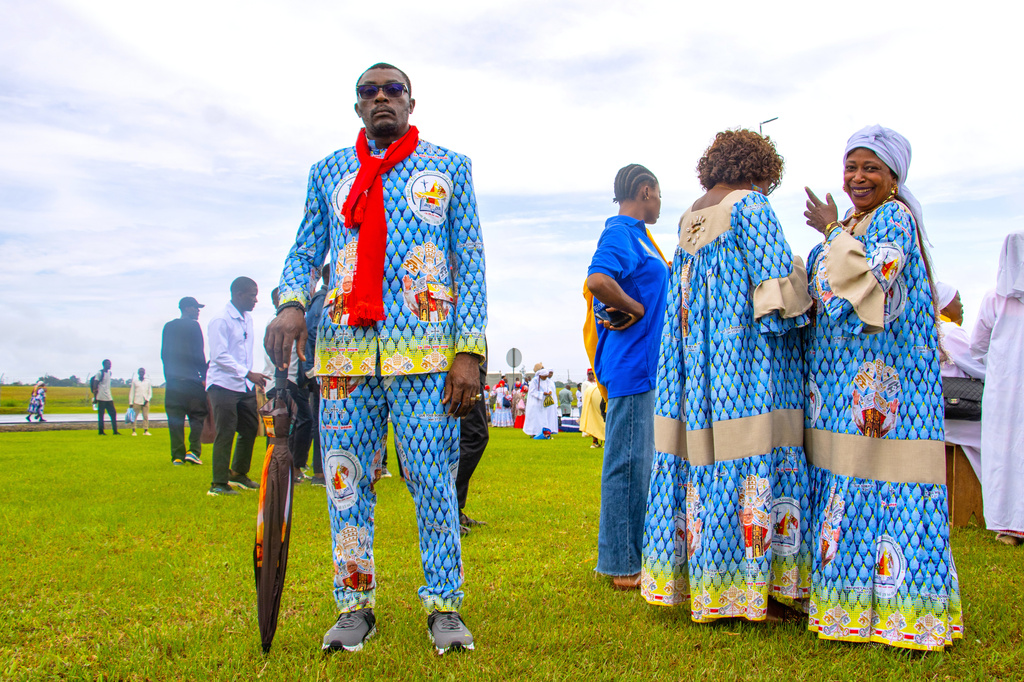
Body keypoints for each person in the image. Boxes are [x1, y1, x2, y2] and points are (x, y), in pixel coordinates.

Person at [264, 63, 486, 655]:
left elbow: (470, 262)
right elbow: (304, 250)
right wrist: (290, 304)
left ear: (412, 103)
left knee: (434, 481)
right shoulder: (329, 173)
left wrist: (469, 350)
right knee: (344, 483)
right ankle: (353, 605)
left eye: (393, 91)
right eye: (370, 92)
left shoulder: (449, 168)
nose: (382, 98)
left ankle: (444, 605)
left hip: (426, 358)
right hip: (342, 358)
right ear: (357, 106)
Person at [638, 131, 812, 621]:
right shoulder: (750, 205)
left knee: (703, 460)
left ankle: (704, 585)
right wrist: (806, 273)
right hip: (746, 362)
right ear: (760, 171)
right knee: (749, 454)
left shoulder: (689, 216)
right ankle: (747, 594)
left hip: (697, 365)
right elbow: (777, 287)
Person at [803, 125, 961, 649]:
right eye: (851, 167)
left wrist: (829, 234)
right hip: (848, 389)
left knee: (895, 494)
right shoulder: (854, 221)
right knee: (855, 492)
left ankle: (909, 617)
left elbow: (873, 280)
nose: (857, 177)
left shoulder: (894, 217)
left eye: (870, 167)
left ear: (894, 176)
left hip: (890, 387)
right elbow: (824, 290)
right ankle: (849, 611)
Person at [585, 164, 668, 590]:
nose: (660, 203)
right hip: (630, 364)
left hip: (643, 365)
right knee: (627, 463)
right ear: (645, 190)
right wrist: (634, 308)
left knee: (639, 463)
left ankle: (628, 554)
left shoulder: (640, 237)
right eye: (658, 194)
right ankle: (621, 565)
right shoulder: (621, 231)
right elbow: (598, 279)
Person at [970, 231, 1024, 547]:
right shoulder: (995, 299)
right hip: (1005, 389)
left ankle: (1010, 527)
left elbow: (977, 347)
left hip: (1006, 390)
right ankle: (1010, 524)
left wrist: (1002, 366)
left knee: (1007, 452)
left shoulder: (994, 299)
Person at [206, 277, 266, 497]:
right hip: (223, 385)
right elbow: (219, 356)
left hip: (243, 385)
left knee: (250, 428)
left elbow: (244, 352)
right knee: (226, 431)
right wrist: (247, 373)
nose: (256, 300)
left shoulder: (247, 319)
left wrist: (251, 377)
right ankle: (218, 484)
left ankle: (238, 474)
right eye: (252, 295)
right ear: (238, 294)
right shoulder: (221, 320)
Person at [935, 282, 985, 479]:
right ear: (945, 305)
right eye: (958, 300)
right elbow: (980, 368)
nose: (962, 306)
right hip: (959, 413)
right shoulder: (949, 331)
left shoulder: (929, 329)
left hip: (943, 414)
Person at [263, 287, 314, 483]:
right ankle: (288, 467)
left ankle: (286, 467)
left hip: (290, 380)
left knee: (288, 426)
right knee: (295, 424)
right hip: (284, 381)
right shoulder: (279, 324)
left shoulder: (291, 323)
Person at [162, 297, 209, 465]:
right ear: (186, 308)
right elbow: (198, 352)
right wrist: (204, 376)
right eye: (196, 308)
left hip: (173, 381)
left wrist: (169, 377)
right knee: (197, 416)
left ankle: (177, 456)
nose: (198, 311)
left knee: (175, 419)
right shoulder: (193, 326)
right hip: (191, 380)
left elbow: (164, 354)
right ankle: (193, 451)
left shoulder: (168, 326)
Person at [457, 354, 490, 534]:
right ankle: (447, 511)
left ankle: (454, 509)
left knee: (470, 436)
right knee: (474, 435)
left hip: (472, 368)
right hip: (464, 369)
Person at [305, 264, 331, 486]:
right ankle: (320, 472)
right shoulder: (321, 298)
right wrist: (315, 366)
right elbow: (313, 330)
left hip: (324, 367)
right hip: (320, 368)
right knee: (319, 420)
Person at [522, 364, 558, 437]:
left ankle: (543, 432)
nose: (545, 378)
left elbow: (548, 387)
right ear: (540, 375)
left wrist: (549, 392)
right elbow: (532, 391)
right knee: (535, 418)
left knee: (543, 418)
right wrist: (542, 394)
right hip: (534, 403)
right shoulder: (534, 381)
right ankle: (533, 433)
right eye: (544, 377)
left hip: (542, 403)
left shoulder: (547, 381)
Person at [93, 359, 120, 435]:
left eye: (110, 364)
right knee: (101, 415)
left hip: (108, 397)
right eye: (108, 364)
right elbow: (95, 384)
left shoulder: (109, 373)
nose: (110, 365)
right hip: (101, 397)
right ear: (104, 364)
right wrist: (95, 397)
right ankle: (101, 431)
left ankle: (115, 431)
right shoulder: (100, 373)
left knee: (113, 413)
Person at [579, 372, 605, 448]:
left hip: (596, 396)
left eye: (592, 374)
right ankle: (597, 441)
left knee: (596, 418)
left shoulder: (593, 385)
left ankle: (596, 441)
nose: (591, 375)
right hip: (596, 398)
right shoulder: (585, 384)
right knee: (596, 418)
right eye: (590, 374)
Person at [128, 368, 153, 436]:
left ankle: (146, 431)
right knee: (134, 417)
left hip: (145, 401)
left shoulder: (147, 382)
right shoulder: (135, 381)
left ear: (144, 373)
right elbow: (132, 392)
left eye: (142, 372)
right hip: (137, 401)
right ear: (138, 373)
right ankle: (133, 431)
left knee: (145, 416)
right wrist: (131, 402)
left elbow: (150, 392)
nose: (141, 373)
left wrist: (147, 399)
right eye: (140, 372)